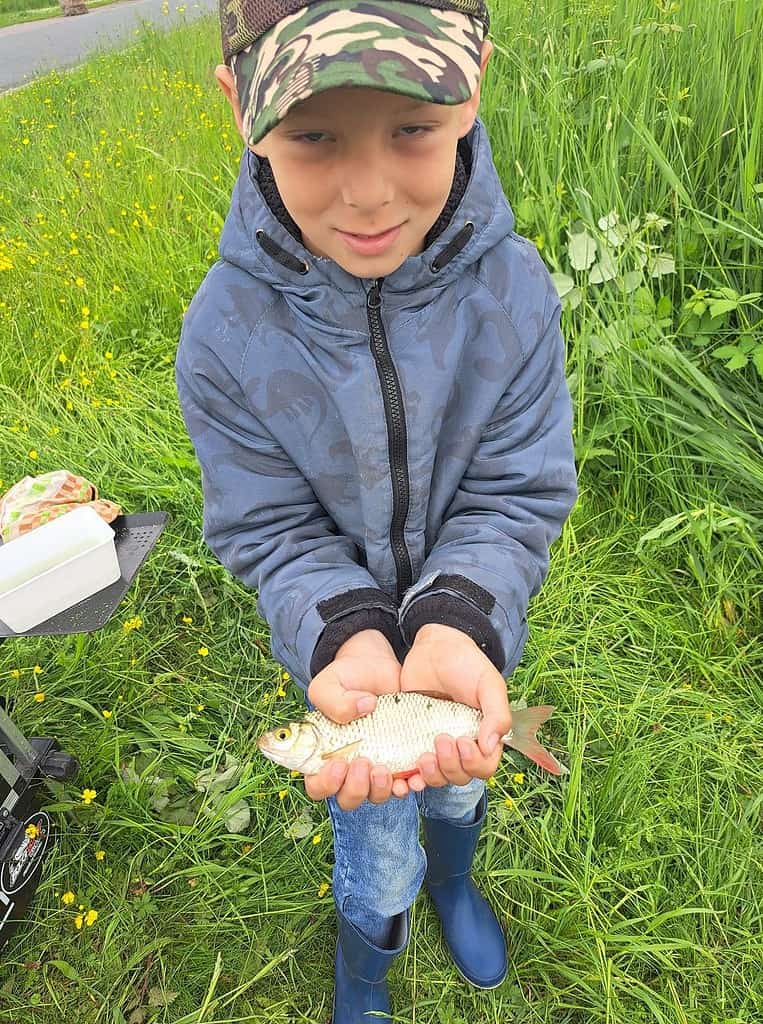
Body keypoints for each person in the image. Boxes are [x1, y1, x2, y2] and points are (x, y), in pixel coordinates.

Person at [175, 1, 578, 1020]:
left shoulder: (515, 293)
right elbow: (269, 532)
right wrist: (346, 632)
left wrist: (459, 616)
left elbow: (515, 487)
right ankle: (368, 957)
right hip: (350, 686)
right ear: (240, 106)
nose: (366, 193)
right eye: (313, 136)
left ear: (473, 81)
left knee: (456, 780)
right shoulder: (224, 334)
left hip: (467, 652)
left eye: (410, 128)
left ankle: (453, 878)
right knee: (370, 840)